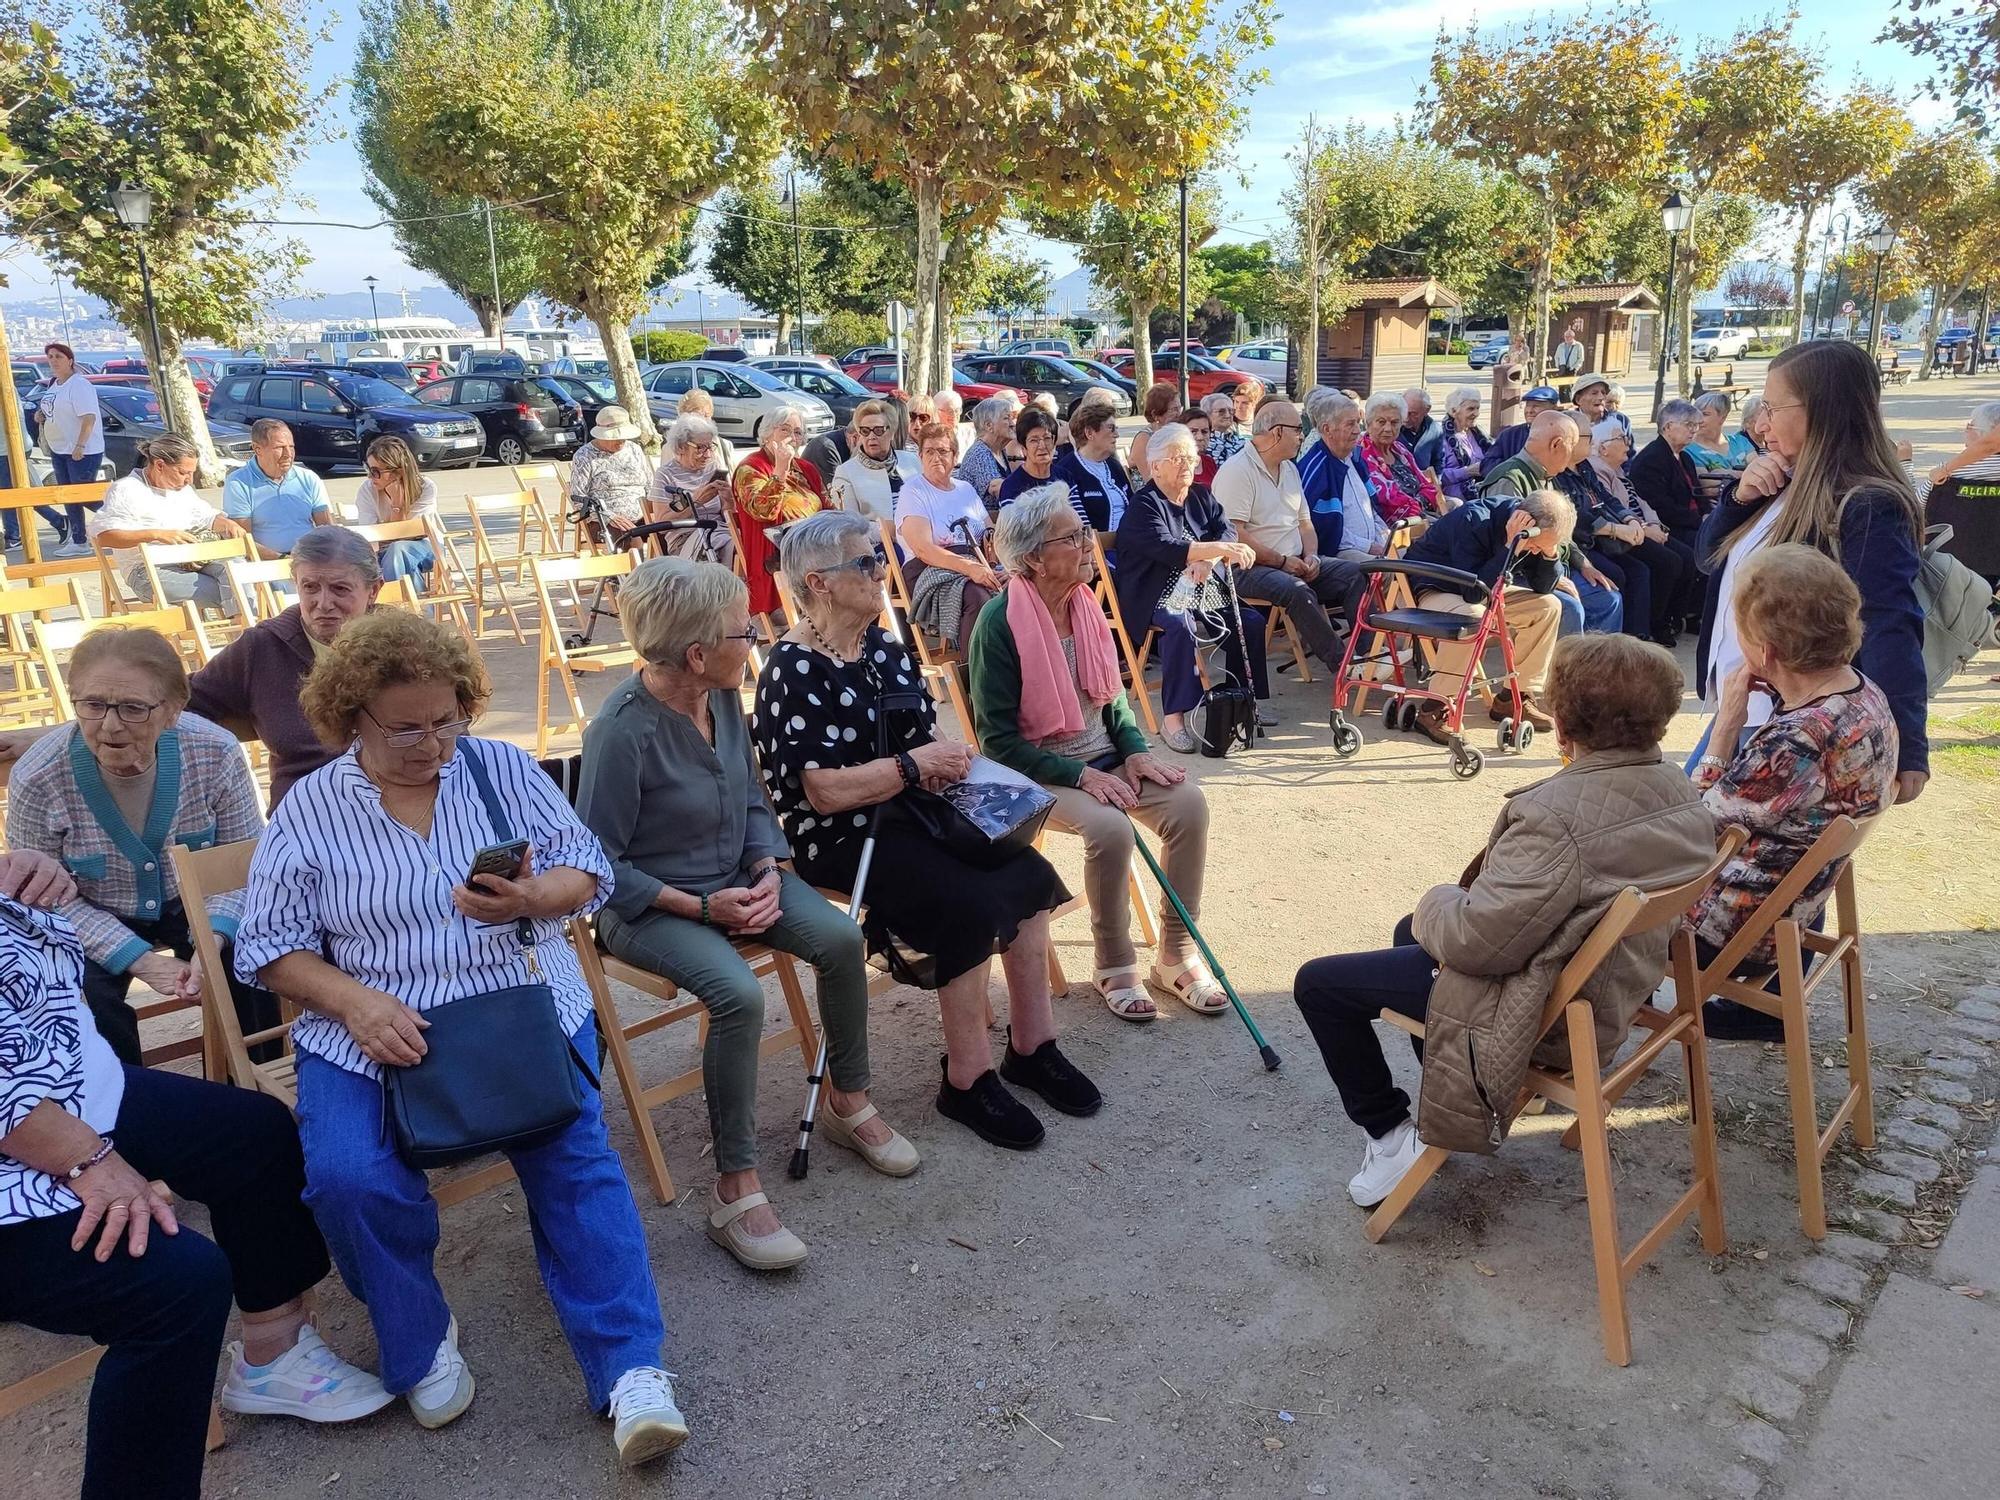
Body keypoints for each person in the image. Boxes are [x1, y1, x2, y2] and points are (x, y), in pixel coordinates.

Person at [231, 611, 686, 1462]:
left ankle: (632, 1371)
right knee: (346, 1178)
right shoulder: (312, 806)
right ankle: (418, 1341)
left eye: (446, 720)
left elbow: (588, 869)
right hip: (372, 1023)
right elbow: (267, 947)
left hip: (516, 1002)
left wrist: (530, 899)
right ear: (349, 717)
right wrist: (355, 1002)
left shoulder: (498, 768)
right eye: (404, 727)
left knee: (574, 1164)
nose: (431, 743)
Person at [0, 859, 393, 1500]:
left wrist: (26, 870)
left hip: (70, 1085)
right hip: (27, 1128)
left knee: (256, 1133)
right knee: (175, 1285)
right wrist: (87, 1160)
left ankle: (271, 1355)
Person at [1292, 633, 1716, 1206]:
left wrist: (1436, 897)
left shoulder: (1552, 814)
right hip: (1605, 991)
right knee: (1406, 935)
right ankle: (1458, 1092)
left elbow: (1475, 944)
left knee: (1319, 983)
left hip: (1543, 1015)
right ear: (1662, 715)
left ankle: (1391, 1134)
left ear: (1563, 723)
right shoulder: (1680, 790)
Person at [577, 557, 912, 1270]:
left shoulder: (724, 695)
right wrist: (700, 903)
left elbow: (756, 799)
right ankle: (736, 1188)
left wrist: (768, 864)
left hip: (739, 873)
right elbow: (596, 868)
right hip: (648, 903)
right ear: (696, 654)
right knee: (735, 994)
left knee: (838, 936)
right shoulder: (620, 733)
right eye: (740, 633)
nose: (753, 641)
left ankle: (848, 1101)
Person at [754, 512, 1093, 1152]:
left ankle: (1032, 1045)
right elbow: (822, 792)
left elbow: (919, 734)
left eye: (877, 559)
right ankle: (965, 1079)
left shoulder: (882, 644)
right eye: (866, 563)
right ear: (819, 583)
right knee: (963, 902)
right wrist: (913, 767)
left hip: (912, 813)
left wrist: (950, 760)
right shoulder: (791, 669)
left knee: (1027, 874)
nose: (881, 571)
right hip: (843, 838)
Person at [968, 487, 1221, 1020]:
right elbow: (998, 744)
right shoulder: (998, 622)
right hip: (1039, 772)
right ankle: (1113, 964)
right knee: (1111, 828)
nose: (1088, 543)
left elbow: (1116, 706)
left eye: (1084, 532)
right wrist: (1079, 775)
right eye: (1073, 536)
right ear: (1034, 558)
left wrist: (1133, 751)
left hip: (1104, 757)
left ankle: (1175, 953)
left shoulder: (1085, 604)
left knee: (1189, 804)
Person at [5, 627, 276, 1066]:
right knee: (79, 991)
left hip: (194, 904)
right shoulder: (38, 776)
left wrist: (214, 940)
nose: (109, 725)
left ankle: (253, 1089)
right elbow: (45, 901)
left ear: (173, 711)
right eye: (93, 705)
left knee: (249, 958)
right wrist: (139, 961)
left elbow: (243, 864)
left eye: (133, 708)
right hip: (88, 911)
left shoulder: (215, 752)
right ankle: (123, 1112)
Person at [1692, 339, 1929, 807]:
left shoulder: (1864, 503)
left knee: (1675, 841)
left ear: (1822, 410)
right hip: (1747, 706)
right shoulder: (1779, 477)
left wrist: (1908, 745)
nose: (1761, 424)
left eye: (1773, 408)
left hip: (1791, 721)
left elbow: (1889, 622)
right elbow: (1705, 560)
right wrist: (1738, 500)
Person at [1689, 545, 1899, 1041]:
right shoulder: (1865, 694)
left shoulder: (1798, 739)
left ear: (1765, 652)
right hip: (1798, 906)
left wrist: (1725, 731)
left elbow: (1689, 830)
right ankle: (1765, 1011)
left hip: (1733, 933)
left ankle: (1566, 1049)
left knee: (1580, 899)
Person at [1114, 423, 1268, 753]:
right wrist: (1217, 552)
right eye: (1178, 458)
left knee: (1251, 622)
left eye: (1191, 457)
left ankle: (1237, 704)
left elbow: (1226, 532)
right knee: (1179, 625)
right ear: (1155, 466)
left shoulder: (1200, 495)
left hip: (1202, 587)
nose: (1188, 464)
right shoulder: (1144, 506)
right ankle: (1174, 717)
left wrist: (1209, 560)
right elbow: (1170, 549)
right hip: (1157, 593)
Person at [1402, 486, 1574, 742]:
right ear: (1523, 520)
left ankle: (1513, 697)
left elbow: (1542, 586)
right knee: (1474, 615)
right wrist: (1510, 546)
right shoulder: (1474, 519)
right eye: (1536, 546)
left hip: (1487, 588)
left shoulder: (1537, 535)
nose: (1535, 551)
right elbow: (1472, 593)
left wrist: (1549, 554)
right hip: (1437, 587)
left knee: (1548, 606)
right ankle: (1434, 708)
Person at [1212, 399, 1365, 673]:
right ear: (1277, 431)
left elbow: (1305, 523)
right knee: (1295, 590)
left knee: (1355, 573)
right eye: (1297, 429)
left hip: (1292, 560)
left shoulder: (1290, 468)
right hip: (1246, 567)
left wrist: (1312, 555)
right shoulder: (1238, 471)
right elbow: (1234, 535)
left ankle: (1370, 655)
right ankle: (1344, 665)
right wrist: (1281, 562)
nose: (1302, 435)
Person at [86, 433, 251, 613]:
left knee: (239, 573)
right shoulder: (126, 489)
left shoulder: (182, 490)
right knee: (235, 590)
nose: (189, 480)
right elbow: (104, 537)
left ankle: (248, 630)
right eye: (183, 473)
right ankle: (248, 633)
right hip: (147, 571)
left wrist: (226, 524)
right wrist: (157, 534)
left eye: (192, 473)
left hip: (190, 561)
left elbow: (206, 517)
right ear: (159, 465)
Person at [1566, 418, 1688, 646]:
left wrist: (1630, 519)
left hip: (1613, 535)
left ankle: (1640, 635)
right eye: (1587, 438)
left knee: (1658, 564)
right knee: (1624, 573)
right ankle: (1623, 639)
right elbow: (1576, 517)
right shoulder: (1566, 469)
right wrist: (1620, 528)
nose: (1627, 443)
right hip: (1586, 541)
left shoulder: (1584, 466)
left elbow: (1609, 500)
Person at [896, 420, 999, 648]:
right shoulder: (913, 491)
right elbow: (923, 549)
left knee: (1018, 589)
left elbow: (989, 530)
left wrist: (992, 559)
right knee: (977, 597)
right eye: (929, 451)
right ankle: (974, 674)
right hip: (930, 571)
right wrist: (970, 568)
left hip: (976, 563)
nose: (936, 458)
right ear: (920, 456)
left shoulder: (965, 489)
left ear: (955, 456)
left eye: (942, 451)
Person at [732, 406, 830, 617]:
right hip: (778, 557)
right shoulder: (750, 468)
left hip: (816, 548)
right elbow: (763, 510)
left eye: (797, 432)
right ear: (767, 435)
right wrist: (780, 470)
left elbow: (827, 506)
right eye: (785, 430)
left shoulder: (806, 468)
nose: (792, 437)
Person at [1299, 388, 1393, 561]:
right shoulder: (1316, 467)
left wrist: (1383, 535)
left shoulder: (1356, 458)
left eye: (1358, 422)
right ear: (1327, 429)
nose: (1358, 430)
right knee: (1390, 570)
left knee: (1415, 557)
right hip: (1337, 552)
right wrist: (1368, 546)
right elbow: (1319, 527)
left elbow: (1372, 508)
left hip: (1373, 544)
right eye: (1350, 424)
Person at [222, 420, 331, 559]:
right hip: (268, 564)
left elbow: (328, 528)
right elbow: (244, 541)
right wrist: (282, 559)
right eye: (279, 447)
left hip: (311, 559)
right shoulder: (238, 482)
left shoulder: (309, 478)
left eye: (291, 447)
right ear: (257, 449)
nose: (288, 454)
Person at [35, 341, 105, 555]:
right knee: (67, 494)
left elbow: (88, 417)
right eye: (51, 357)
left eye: (59, 357)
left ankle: (122, 516)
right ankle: (78, 539)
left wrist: (80, 445)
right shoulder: (54, 384)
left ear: (70, 360)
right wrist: (40, 416)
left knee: (82, 494)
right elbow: (51, 410)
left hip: (82, 450)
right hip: (59, 448)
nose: (54, 360)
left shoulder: (79, 385)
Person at [647, 411, 735, 564]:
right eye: (701, 448)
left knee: (741, 545)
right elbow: (661, 525)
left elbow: (728, 516)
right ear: (681, 447)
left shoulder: (713, 467)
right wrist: (695, 502)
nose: (708, 454)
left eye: (710, 447)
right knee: (728, 546)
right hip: (685, 538)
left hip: (719, 530)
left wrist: (729, 501)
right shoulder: (665, 475)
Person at [353, 434, 437, 584]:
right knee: (398, 560)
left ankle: (397, 604)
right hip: (383, 553)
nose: (370, 477)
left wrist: (397, 504)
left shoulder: (426, 487)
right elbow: (370, 538)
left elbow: (410, 534)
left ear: (397, 473)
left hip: (426, 547)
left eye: (375, 472)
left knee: (397, 551)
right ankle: (413, 607)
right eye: (368, 469)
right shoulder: (367, 491)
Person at [1629, 398, 1708, 549]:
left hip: (1693, 523)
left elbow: (1699, 495)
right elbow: (1662, 508)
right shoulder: (1651, 459)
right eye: (1688, 424)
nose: (1694, 430)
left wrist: (1708, 516)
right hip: (1671, 528)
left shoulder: (1685, 457)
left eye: (1696, 425)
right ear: (1668, 427)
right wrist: (1700, 521)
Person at [568, 405, 653, 545]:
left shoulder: (634, 450)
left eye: (624, 436)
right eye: (616, 437)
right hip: (604, 521)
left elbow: (650, 485)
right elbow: (578, 499)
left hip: (642, 516)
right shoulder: (584, 456)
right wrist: (609, 516)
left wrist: (655, 511)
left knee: (667, 534)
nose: (621, 441)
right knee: (632, 539)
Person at [1050, 398, 1134, 534]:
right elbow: (1074, 527)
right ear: (1089, 433)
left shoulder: (1113, 465)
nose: (1117, 435)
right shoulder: (1066, 471)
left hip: (1128, 544)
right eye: (1110, 428)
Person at [1358, 391, 1442, 524]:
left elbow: (1428, 486)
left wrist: (1417, 505)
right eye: (1381, 422)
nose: (1388, 428)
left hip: (1421, 518)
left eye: (1394, 422)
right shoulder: (1362, 455)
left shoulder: (1400, 450)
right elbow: (1388, 502)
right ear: (1368, 423)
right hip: (1395, 528)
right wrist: (1419, 505)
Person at [828, 398, 905, 528]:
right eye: (865, 431)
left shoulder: (912, 461)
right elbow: (850, 528)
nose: (871, 436)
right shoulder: (846, 473)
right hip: (879, 545)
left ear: (892, 433)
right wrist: (895, 530)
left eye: (879, 430)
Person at [956, 394, 1019, 513]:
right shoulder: (979, 453)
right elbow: (996, 487)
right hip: (984, 526)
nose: (1012, 424)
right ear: (989, 426)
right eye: (1006, 418)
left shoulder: (999, 451)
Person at [997, 405, 1061, 508]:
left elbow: (1082, 521)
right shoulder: (1012, 485)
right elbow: (1012, 523)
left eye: (1047, 438)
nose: (1042, 446)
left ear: (1054, 442)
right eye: (1034, 440)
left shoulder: (1065, 477)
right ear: (1023, 448)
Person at [1434, 386, 1488, 506]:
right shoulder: (1440, 438)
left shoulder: (1479, 434)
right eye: (1470, 409)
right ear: (1454, 411)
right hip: (1455, 494)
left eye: (1477, 408)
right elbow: (1437, 476)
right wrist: (1467, 472)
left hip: (1482, 486)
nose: (1476, 413)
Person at [1484, 386, 1561, 466]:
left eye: (1536, 406)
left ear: (1554, 408)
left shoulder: (1561, 435)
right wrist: (1511, 470)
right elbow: (1487, 463)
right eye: (1528, 405)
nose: (1529, 411)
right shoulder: (1509, 435)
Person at [1126, 381, 1184, 479]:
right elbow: (1149, 477)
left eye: (1179, 408)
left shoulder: (1176, 433)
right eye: (1173, 409)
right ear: (1156, 414)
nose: (1179, 414)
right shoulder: (1144, 438)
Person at [1686, 391, 1737, 471]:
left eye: (1705, 414)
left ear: (1723, 417)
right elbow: (1706, 480)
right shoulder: (1687, 450)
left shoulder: (1740, 442)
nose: (1698, 419)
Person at [1399, 387, 1442, 471]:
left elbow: (1438, 462)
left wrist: (1437, 480)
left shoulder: (1435, 431)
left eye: (1413, 414)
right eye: (1404, 412)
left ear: (1427, 410)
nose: (1406, 418)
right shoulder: (1392, 429)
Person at [1727, 393, 1773, 466]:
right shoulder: (1740, 442)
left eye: (1768, 414)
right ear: (1747, 422)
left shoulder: (1769, 439)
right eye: (1761, 415)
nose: (1766, 419)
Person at [1205, 391, 1246, 464]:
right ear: (1208, 414)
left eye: (1231, 411)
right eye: (1221, 411)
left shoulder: (1241, 441)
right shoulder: (1204, 441)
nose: (1227, 415)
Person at [1184, 403, 1219, 487]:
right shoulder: (1173, 464)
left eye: (1204, 431)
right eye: (1193, 431)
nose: (1200, 437)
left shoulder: (1210, 463)